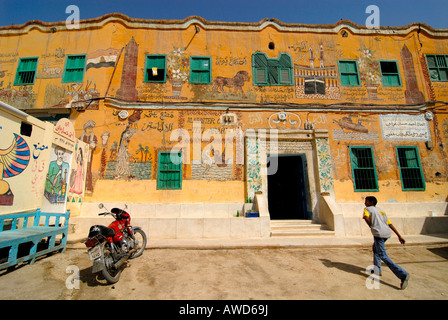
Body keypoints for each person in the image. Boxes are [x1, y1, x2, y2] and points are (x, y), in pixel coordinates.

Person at [363, 196, 410, 290]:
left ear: (371, 202)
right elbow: (390, 224)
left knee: (383, 255)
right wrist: (399, 235)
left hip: (379, 234)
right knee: (375, 250)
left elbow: (365, 217)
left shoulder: (367, 209)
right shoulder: (381, 211)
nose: (365, 203)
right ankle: (377, 270)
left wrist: (372, 226)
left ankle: (403, 274)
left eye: (366, 201)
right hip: (387, 233)